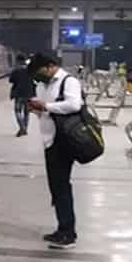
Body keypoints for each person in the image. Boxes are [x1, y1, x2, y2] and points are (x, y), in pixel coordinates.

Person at [26, 54, 85, 250]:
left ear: (50, 66)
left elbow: (74, 105)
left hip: (63, 141)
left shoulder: (69, 81)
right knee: (56, 187)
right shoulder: (43, 85)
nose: (37, 76)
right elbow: (46, 111)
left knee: (61, 187)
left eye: (39, 71)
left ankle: (68, 234)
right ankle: (62, 228)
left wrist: (45, 106)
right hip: (49, 140)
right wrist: (36, 109)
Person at [8, 54, 35, 137]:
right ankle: (25, 129)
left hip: (19, 94)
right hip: (29, 94)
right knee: (27, 112)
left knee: (17, 111)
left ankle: (22, 128)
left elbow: (11, 80)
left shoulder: (16, 70)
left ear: (18, 61)